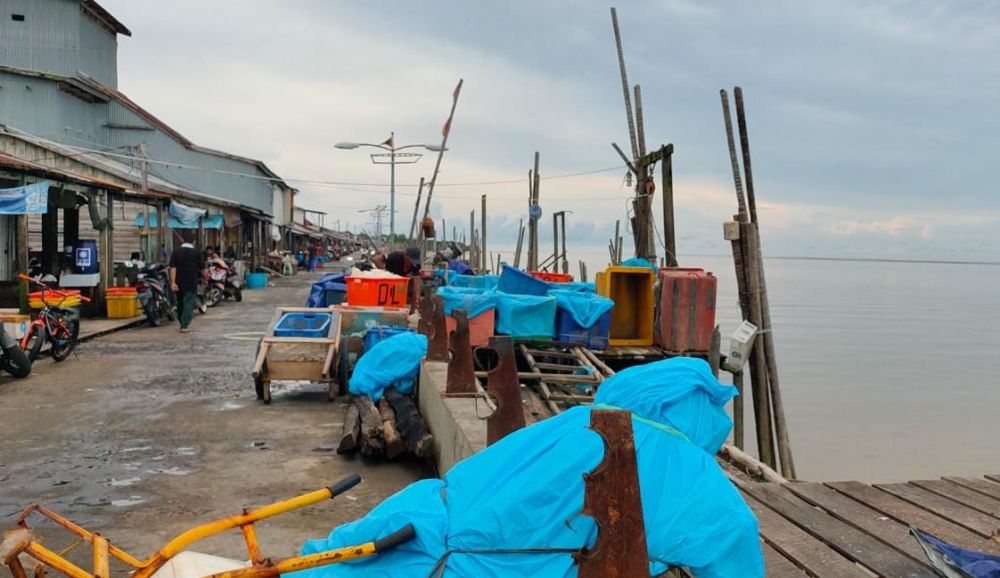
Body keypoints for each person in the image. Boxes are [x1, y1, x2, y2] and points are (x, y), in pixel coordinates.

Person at [169, 233, 207, 333]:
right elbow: (203, 269)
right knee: (189, 303)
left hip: (178, 282)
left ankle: (182, 321)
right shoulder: (197, 253)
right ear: (193, 241)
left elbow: (173, 268)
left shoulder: (176, 252)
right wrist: (206, 278)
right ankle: (184, 324)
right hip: (191, 282)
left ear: (183, 240)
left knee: (180, 301)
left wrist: (173, 282)